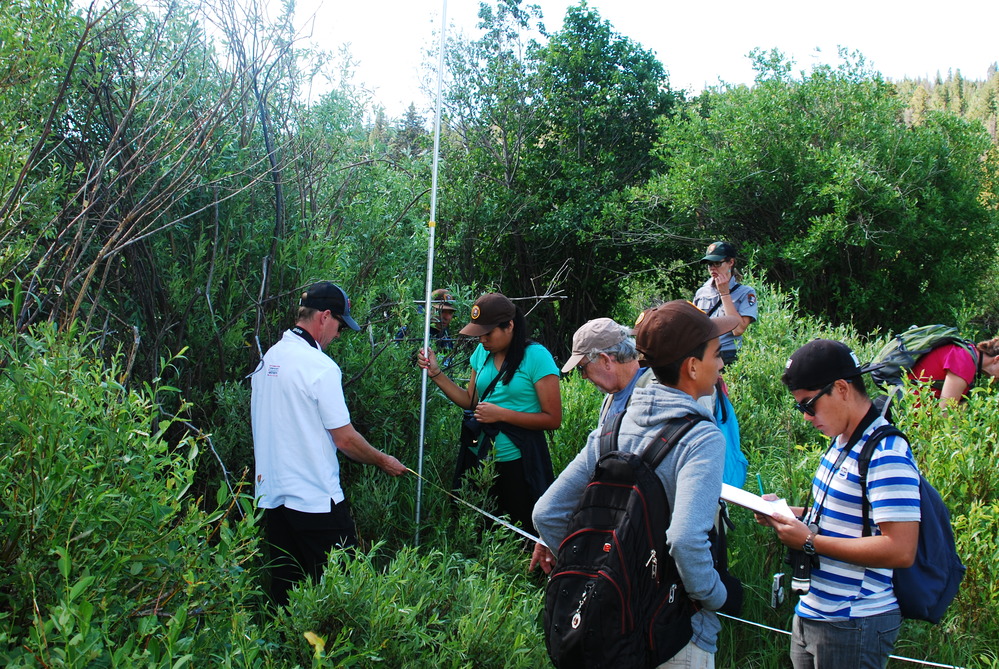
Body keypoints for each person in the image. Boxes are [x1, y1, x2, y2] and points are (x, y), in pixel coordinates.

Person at [532, 300, 743, 668]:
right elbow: (685, 539)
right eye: (715, 353)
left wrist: (602, 570)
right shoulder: (701, 438)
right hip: (676, 632)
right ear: (692, 366)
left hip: (615, 629)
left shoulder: (612, 429)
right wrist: (715, 595)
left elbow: (547, 512)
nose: (722, 361)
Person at [756, 339, 920, 669]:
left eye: (809, 405)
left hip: (853, 620)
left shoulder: (885, 453)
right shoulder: (841, 441)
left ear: (842, 388)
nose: (806, 418)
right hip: (813, 610)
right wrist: (788, 515)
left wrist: (808, 541)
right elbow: (843, 517)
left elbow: (901, 549)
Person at [251, 281, 407, 606]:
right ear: (324, 317)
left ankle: (289, 655)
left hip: (273, 502)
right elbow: (345, 439)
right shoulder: (320, 367)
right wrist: (383, 460)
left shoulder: (268, 360)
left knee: (287, 598)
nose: (338, 334)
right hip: (317, 502)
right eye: (339, 324)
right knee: (343, 597)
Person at [417, 292, 561, 535]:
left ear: (510, 326)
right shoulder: (482, 354)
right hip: (479, 455)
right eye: (478, 333)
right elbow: (470, 400)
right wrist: (436, 374)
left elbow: (552, 419)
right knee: (479, 527)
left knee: (520, 531)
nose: (482, 339)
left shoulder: (536, 357)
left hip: (518, 461)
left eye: (488, 333)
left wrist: (501, 414)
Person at [560, 317, 654, 428]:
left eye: (582, 368)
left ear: (605, 360)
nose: (584, 376)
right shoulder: (610, 398)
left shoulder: (653, 391)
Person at [692, 241, 758, 366]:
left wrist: (725, 294)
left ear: (731, 263)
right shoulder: (702, 292)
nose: (712, 268)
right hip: (703, 355)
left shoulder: (745, 292)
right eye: (709, 264)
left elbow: (738, 330)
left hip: (729, 355)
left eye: (717, 263)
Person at [908, 337, 999, 406]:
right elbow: (945, 414)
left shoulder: (967, 353)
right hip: (904, 415)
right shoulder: (964, 361)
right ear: (997, 359)